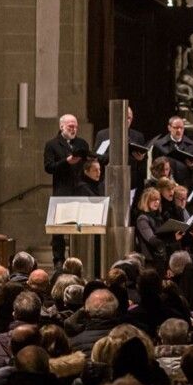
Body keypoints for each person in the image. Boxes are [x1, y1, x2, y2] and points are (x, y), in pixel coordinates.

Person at [44, 113, 91, 266]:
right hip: (61, 191)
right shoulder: (52, 144)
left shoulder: (81, 143)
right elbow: (49, 167)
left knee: (80, 226)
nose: (74, 129)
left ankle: (79, 258)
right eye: (71, 126)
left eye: (76, 126)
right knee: (59, 228)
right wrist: (67, 161)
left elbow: (88, 160)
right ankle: (58, 259)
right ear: (61, 126)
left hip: (80, 190)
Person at [95, 105, 149, 189]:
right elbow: (97, 158)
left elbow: (144, 163)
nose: (127, 120)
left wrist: (140, 160)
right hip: (108, 181)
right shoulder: (103, 134)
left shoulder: (138, 136)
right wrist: (113, 154)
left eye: (129, 118)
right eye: (124, 117)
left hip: (131, 182)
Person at [151, 115, 193, 189]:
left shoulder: (192, 145)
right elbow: (154, 169)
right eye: (176, 127)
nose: (179, 130)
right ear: (169, 128)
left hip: (186, 188)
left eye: (181, 128)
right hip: (165, 188)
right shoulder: (159, 145)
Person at [134, 188, 168, 272]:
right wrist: (171, 238)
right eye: (153, 200)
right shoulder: (142, 219)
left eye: (158, 200)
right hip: (150, 260)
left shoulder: (158, 217)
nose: (157, 202)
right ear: (146, 201)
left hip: (160, 257)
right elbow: (152, 240)